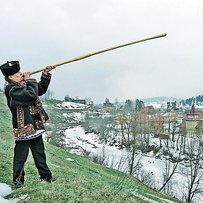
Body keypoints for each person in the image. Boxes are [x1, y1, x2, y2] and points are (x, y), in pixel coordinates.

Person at [0, 61, 55, 188]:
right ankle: (18, 182)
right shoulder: (11, 89)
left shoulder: (22, 85)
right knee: (21, 156)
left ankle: (46, 177)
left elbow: (39, 90)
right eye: (18, 73)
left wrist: (45, 74)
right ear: (11, 77)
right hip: (23, 129)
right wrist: (30, 79)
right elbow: (31, 95)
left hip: (35, 126)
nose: (21, 74)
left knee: (39, 153)